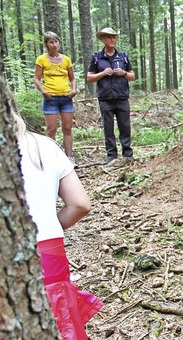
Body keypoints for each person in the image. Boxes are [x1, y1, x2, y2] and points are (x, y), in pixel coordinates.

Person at [11, 98, 103, 340]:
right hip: (48, 249)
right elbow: (80, 204)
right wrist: (48, 224)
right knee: (58, 322)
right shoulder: (45, 146)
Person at [87, 27, 135, 165]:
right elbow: (89, 77)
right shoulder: (97, 57)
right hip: (105, 98)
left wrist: (124, 73)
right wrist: (102, 73)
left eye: (114, 37)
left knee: (125, 126)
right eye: (109, 37)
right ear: (103, 39)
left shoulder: (123, 57)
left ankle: (127, 154)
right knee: (108, 127)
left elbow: (132, 76)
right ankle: (111, 155)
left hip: (122, 97)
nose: (112, 40)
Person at [34, 31, 77, 167]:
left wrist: (73, 90)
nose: (54, 45)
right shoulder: (42, 60)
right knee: (51, 129)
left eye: (56, 41)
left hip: (66, 98)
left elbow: (72, 78)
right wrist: (43, 91)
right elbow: (36, 78)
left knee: (67, 128)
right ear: (46, 44)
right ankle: (50, 160)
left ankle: (69, 158)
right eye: (51, 42)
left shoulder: (66, 59)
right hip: (50, 98)